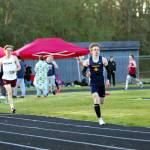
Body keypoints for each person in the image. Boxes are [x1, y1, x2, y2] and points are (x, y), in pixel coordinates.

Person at [82, 43, 110, 125]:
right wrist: (86, 74)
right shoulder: (87, 61)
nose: (96, 51)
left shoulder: (104, 60)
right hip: (93, 83)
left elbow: (109, 71)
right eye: (95, 50)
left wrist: (108, 80)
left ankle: (97, 104)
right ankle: (100, 119)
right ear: (91, 51)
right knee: (96, 98)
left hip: (101, 83)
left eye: (98, 50)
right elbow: (83, 72)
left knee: (101, 101)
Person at [0, 45, 20, 113]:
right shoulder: (2, 59)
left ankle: (8, 99)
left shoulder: (14, 58)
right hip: (5, 78)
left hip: (14, 78)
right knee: (10, 92)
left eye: (10, 50)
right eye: (8, 50)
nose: (9, 51)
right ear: (5, 51)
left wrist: (14, 71)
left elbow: (19, 67)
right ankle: (12, 107)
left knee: (11, 92)